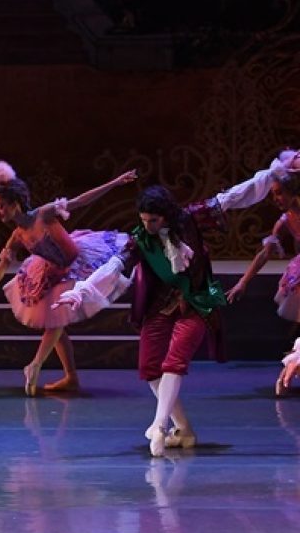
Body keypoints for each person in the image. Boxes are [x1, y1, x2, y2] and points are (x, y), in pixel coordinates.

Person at [57, 149, 300, 456]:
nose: (149, 226)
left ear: (167, 215)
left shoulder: (191, 218)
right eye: (144, 220)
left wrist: (273, 172)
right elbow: (115, 265)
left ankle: (159, 425)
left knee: (175, 360)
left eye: (154, 220)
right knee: (149, 367)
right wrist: (81, 291)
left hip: (197, 300)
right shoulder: (141, 238)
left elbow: (233, 196)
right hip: (161, 303)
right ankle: (182, 429)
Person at [0, 161, 137, 395]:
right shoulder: (18, 235)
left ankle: (35, 365)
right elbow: (0, 269)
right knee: (56, 321)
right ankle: (70, 377)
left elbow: (80, 201)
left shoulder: (43, 214)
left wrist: (115, 182)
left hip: (76, 262)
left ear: (15, 204)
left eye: (1, 206)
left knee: (56, 320)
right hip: (51, 271)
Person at [228, 171, 300, 394]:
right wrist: (243, 282)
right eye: (273, 195)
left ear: (292, 192)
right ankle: (289, 370)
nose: (276, 199)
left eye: (279, 193)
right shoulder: (286, 219)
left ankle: (289, 369)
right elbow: (264, 254)